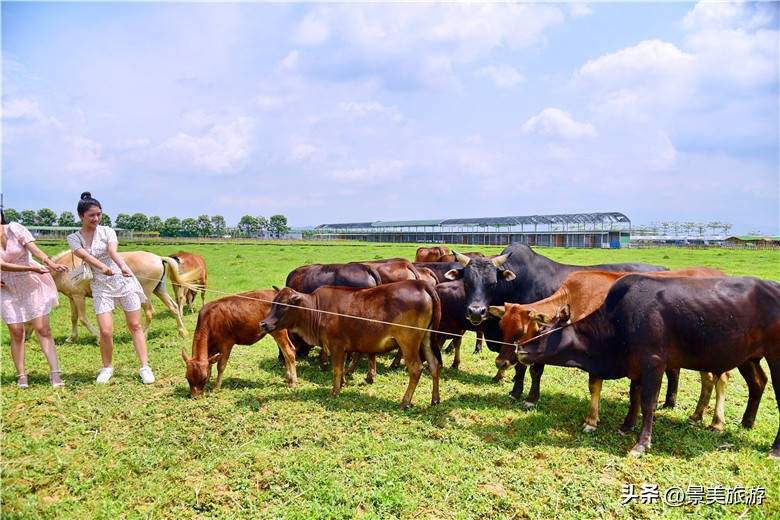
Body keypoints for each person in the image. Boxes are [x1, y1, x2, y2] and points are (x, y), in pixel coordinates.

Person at [67, 192, 155, 384]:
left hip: (123, 282)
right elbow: (85, 257)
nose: (96, 218)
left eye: (99, 214)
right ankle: (107, 368)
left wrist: (123, 267)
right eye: (91, 215)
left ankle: (145, 367)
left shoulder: (107, 231)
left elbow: (113, 252)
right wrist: (102, 268)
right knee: (106, 331)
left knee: (135, 325)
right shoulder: (74, 238)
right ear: (81, 216)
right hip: (100, 286)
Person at [1, 209, 69, 387]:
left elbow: (34, 250)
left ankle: (55, 374)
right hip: (7, 287)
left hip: (30, 283)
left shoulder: (14, 228)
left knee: (42, 329)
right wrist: (31, 269)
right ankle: (21, 375)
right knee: (16, 332)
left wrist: (51, 263)